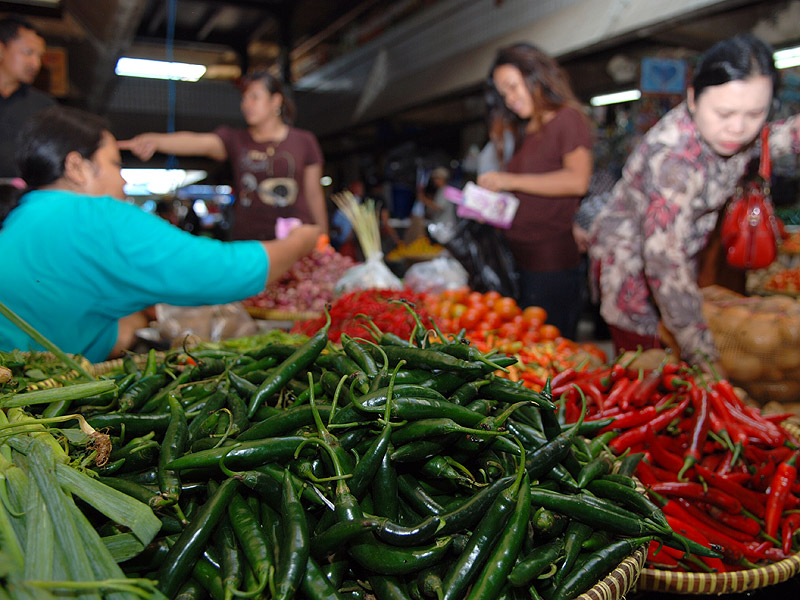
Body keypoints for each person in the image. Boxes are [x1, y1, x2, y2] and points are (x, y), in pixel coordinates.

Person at [0, 106, 320, 363]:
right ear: (77, 167)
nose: (123, 182)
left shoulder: (22, 216)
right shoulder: (95, 216)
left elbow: (73, 320)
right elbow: (226, 272)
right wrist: (299, 242)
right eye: (114, 165)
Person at [588, 34, 800, 373]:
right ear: (692, 99)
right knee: (650, 375)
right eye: (725, 112)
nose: (739, 127)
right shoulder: (673, 161)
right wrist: (702, 354)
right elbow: (665, 263)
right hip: (633, 271)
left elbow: (771, 139)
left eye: (755, 113)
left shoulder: (731, 132)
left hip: (681, 255)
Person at [119, 70, 327, 241]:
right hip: (250, 241)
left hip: (296, 239)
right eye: (244, 98)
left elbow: (313, 194)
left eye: (255, 96)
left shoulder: (304, 141)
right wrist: (155, 141)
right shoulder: (235, 139)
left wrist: (323, 237)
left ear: (276, 101)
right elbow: (198, 142)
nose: (246, 104)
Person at [477, 43, 592, 340]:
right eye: (504, 94)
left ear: (536, 77)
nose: (510, 99)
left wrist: (510, 181)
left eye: (513, 87)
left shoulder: (568, 119)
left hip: (551, 261)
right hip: (524, 259)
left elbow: (577, 181)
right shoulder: (528, 130)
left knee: (552, 351)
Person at [0, 16, 55, 179]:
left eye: (39, 56)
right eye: (28, 53)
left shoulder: (44, 107)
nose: (35, 64)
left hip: (22, 199)